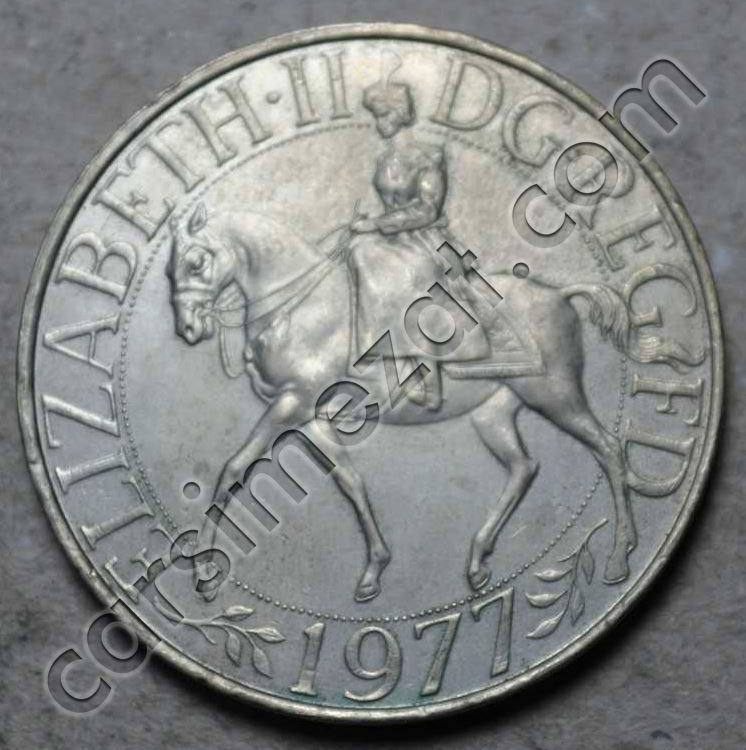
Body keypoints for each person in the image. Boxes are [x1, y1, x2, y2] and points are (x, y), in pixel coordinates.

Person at [348, 72, 463, 411]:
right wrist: (366, 223)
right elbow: (389, 203)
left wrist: (377, 224)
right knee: (356, 253)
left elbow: (427, 209)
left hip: (427, 239)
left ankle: (428, 371)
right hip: (390, 236)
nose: (378, 123)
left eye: (383, 115)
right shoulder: (384, 158)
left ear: (399, 114)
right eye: (376, 116)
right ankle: (385, 355)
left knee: (412, 275)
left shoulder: (429, 156)